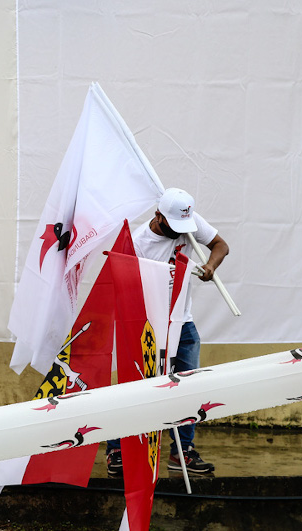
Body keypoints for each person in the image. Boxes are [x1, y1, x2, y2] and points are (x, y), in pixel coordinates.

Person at [106, 187, 230, 477]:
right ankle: (117, 448)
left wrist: (210, 266)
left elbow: (221, 245)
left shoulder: (188, 221)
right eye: (173, 227)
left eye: (183, 227)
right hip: (147, 323)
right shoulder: (137, 242)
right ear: (158, 215)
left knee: (188, 387)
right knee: (137, 388)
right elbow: (122, 286)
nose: (180, 232)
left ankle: (181, 452)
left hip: (182, 323)